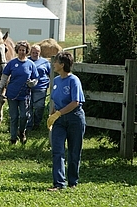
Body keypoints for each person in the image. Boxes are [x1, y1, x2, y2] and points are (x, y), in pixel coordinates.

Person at [47, 51, 86, 191]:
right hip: (59, 120)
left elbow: (75, 102)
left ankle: (73, 181)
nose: (53, 64)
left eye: (56, 62)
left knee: (74, 152)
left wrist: (59, 113)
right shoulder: (56, 81)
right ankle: (59, 183)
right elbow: (54, 99)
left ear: (62, 65)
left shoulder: (73, 80)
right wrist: (52, 115)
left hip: (74, 118)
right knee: (57, 150)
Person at [0, 40, 39, 145]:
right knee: (14, 117)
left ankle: (22, 132)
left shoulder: (31, 64)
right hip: (12, 94)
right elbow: (4, 77)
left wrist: (32, 83)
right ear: (17, 51)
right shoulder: (12, 63)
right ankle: (13, 138)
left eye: (23, 50)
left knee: (24, 116)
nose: (21, 52)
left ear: (26, 51)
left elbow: (36, 78)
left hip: (24, 95)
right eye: (19, 50)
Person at [26, 44, 51, 130]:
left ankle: (37, 123)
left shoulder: (45, 62)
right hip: (28, 87)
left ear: (39, 52)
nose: (35, 54)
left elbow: (51, 74)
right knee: (27, 107)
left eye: (37, 52)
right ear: (30, 52)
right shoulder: (26, 61)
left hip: (40, 87)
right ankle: (28, 125)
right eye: (33, 52)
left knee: (39, 107)